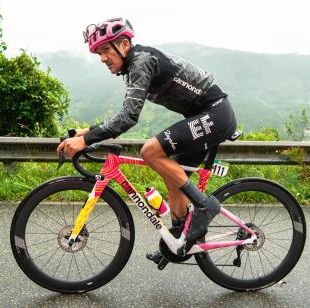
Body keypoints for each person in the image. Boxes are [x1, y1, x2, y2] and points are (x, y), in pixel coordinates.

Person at [57, 17, 237, 258]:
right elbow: (124, 112)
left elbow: (129, 117)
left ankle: (205, 206)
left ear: (123, 45)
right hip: (204, 115)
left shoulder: (141, 60)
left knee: (150, 151)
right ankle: (178, 242)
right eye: (98, 53)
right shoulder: (134, 65)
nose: (102, 58)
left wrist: (86, 141)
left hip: (215, 113)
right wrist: (89, 132)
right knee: (174, 177)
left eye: (105, 50)